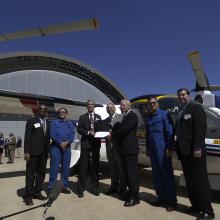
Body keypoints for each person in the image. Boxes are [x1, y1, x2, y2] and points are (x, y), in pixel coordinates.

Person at [175, 88, 215, 220]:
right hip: (185, 153)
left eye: (183, 94)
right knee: (190, 182)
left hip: (195, 152)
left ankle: (208, 212)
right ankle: (196, 206)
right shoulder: (181, 111)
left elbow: (200, 128)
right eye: (179, 95)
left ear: (188, 95)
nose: (181, 97)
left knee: (200, 182)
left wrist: (198, 148)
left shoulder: (195, 107)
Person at [146, 97, 177, 211]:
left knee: (167, 174)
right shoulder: (148, 117)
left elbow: (169, 132)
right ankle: (161, 197)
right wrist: (148, 149)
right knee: (156, 174)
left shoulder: (164, 115)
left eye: (154, 103)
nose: (152, 105)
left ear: (158, 104)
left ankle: (172, 201)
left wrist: (169, 148)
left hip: (163, 149)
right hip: (153, 151)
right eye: (150, 104)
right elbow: (148, 135)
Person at [111, 100, 139, 207]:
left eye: (124, 105)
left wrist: (112, 135)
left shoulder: (132, 115)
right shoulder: (124, 116)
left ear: (128, 106)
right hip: (124, 149)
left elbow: (125, 130)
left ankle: (134, 197)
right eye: (121, 105)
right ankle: (130, 193)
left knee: (132, 173)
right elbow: (122, 128)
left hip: (130, 149)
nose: (122, 107)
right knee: (127, 173)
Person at [24, 104, 50, 206]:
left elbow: (47, 139)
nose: (42, 110)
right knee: (30, 175)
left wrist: (48, 151)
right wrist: (26, 152)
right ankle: (28, 195)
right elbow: (27, 137)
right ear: (38, 110)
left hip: (43, 153)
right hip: (33, 153)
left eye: (44, 109)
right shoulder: (32, 120)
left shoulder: (47, 122)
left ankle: (37, 192)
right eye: (41, 109)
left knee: (41, 174)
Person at [77, 100, 101, 198]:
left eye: (92, 104)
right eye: (89, 105)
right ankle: (80, 189)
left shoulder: (98, 117)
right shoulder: (82, 117)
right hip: (85, 143)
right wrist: (88, 132)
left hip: (95, 144)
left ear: (94, 106)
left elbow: (101, 128)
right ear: (86, 106)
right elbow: (79, 129)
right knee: (83, 166)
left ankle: (94, 188)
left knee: (95, 166)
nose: (90, 106)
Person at [48, 107, 75, 194]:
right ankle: (51, 188)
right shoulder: (54, 123)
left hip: (67, 148)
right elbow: (52, 134)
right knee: (54, 169)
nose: (62, 113)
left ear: (66, 113)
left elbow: (72, 134)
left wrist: (67, 142)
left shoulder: (70, 124)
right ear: (58, 113)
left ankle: (64, 186)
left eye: (63, 112)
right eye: (60, 112)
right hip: (56, 147)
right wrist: (60, 143)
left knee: (65, 168)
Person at [103, 103, 126, 195]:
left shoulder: (121, 117)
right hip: (109, 147)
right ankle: (113, 187)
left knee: (121, 168)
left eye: (111, 108)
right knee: (112, 168)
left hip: (118, 147)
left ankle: (123, 188)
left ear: (115, 109)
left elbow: (123, 131)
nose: (110, 109)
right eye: (108, 108)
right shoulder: (105, 120)